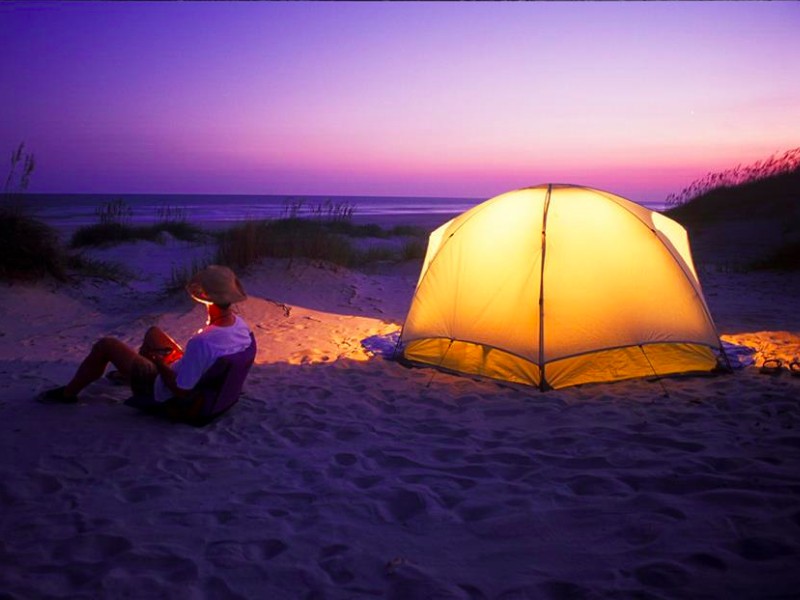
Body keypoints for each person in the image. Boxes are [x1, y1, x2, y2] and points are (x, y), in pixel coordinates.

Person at [39, 265, 253, 404]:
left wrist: (159, 364)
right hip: (193, 369)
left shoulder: (203, 342)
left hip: (163, 387)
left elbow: (181, 391)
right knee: (154, 333)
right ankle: (130, 375)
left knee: (106, 345)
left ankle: (68, 394)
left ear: (205, 295)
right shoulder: (241, 326)